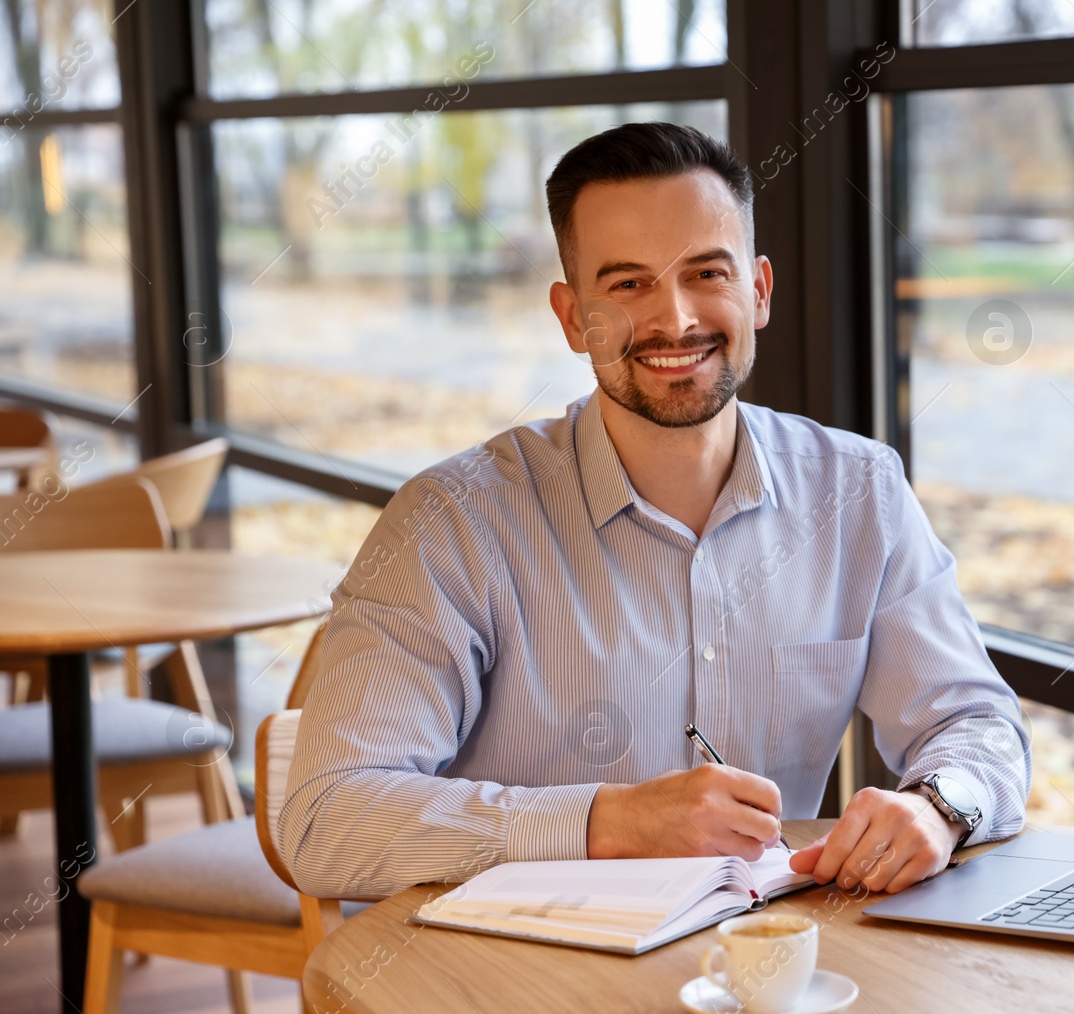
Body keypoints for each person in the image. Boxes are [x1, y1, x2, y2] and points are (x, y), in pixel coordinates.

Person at [279, 121, 1031, 900]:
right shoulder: (452, 522)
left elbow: (976, 721)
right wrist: (609, 822)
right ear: (574, 318)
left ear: (759, 290)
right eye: (629, 284)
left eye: (707, 273)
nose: (675, 320)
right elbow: (325, 819)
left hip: (762, 976)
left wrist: (939, 807)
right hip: (513, 988)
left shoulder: (859, 491)